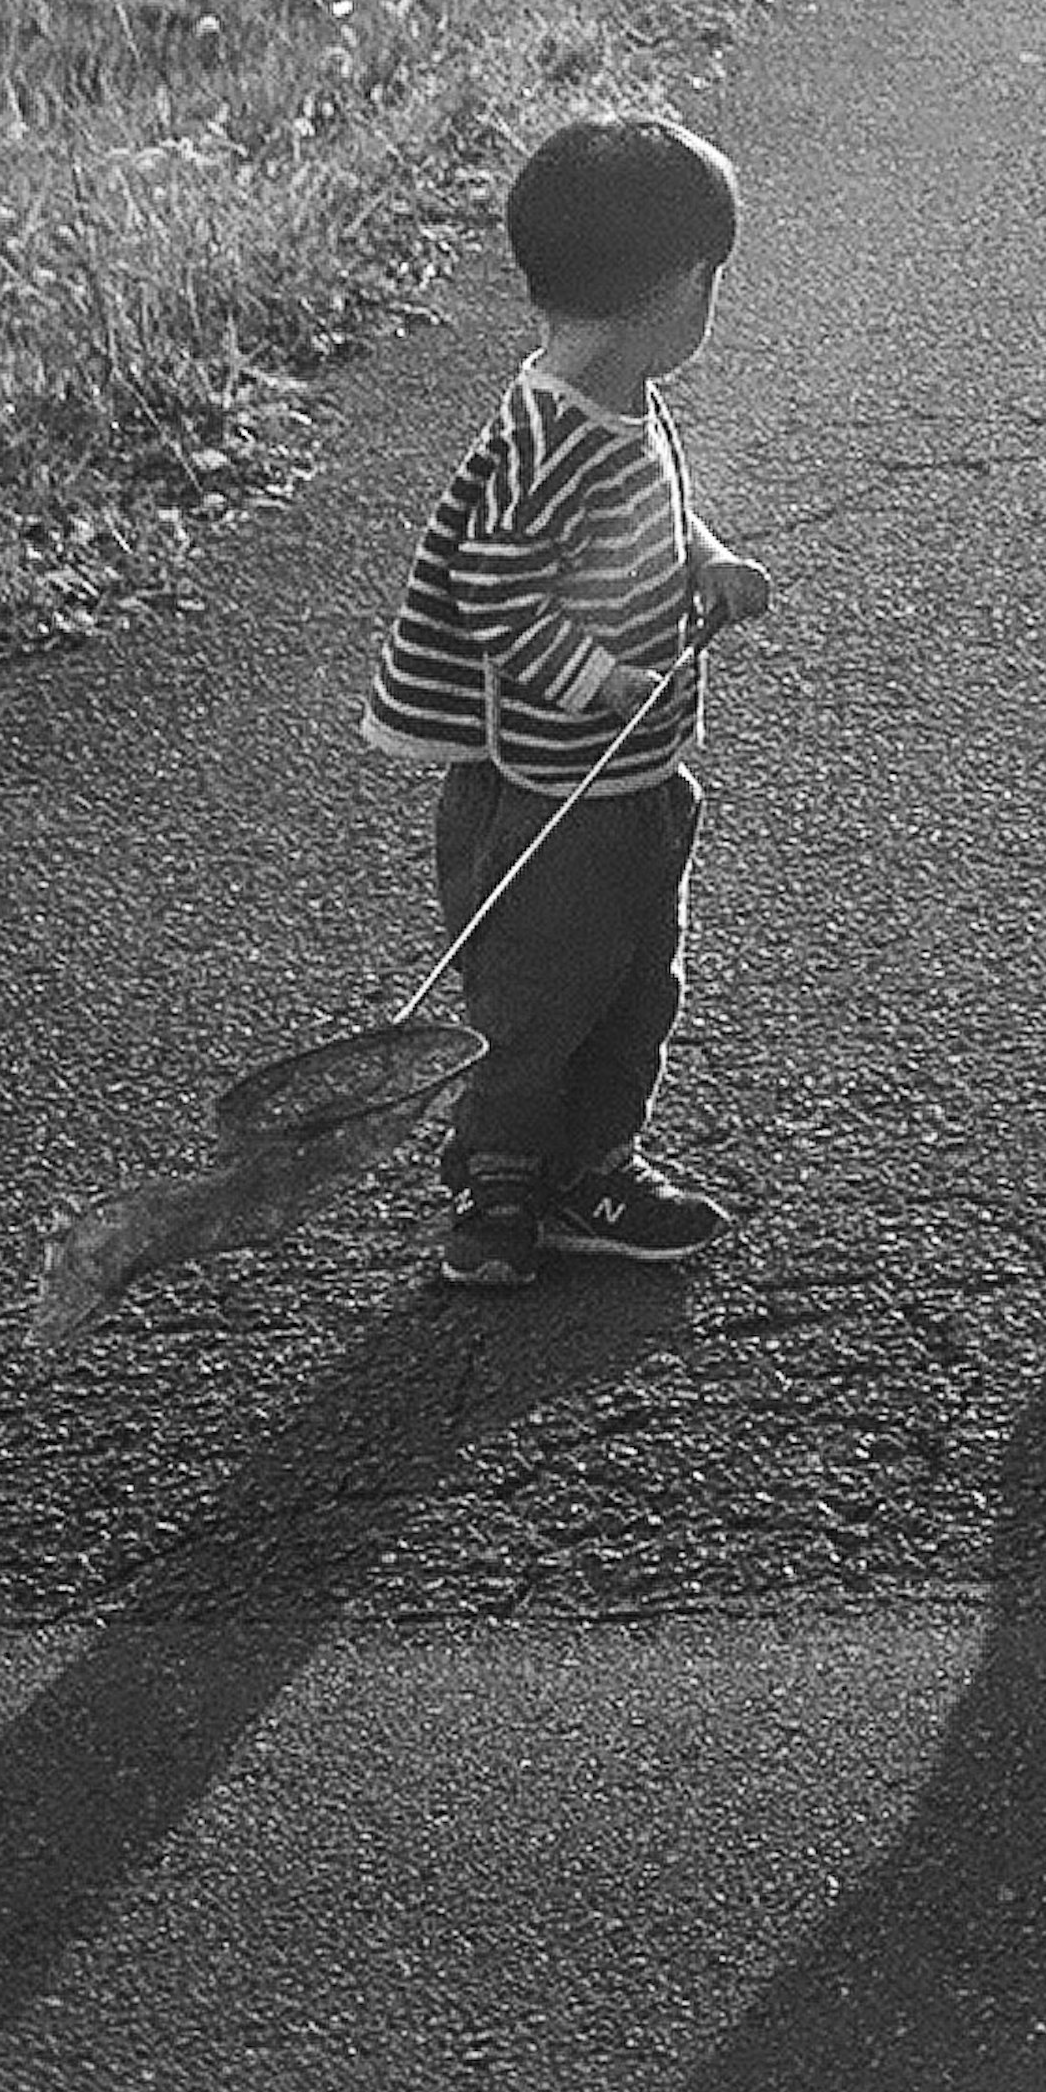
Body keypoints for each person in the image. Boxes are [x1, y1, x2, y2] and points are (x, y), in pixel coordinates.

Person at [367, 108, 772, 1296]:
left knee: (640, 977)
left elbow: (649, 505)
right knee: (538, 991)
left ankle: (595, 1163)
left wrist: (704, 557)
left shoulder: (614, 400)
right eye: (712, 285)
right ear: (680, 291)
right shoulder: (548, 431)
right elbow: (496, 590)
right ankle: (500, 1186)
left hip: (627, 773)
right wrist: (603, 683)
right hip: (549, 790)